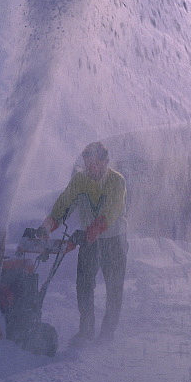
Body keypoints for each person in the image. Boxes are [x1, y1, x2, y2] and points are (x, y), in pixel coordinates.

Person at [39, 141, 127, 345]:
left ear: (105, 162)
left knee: (114, 287)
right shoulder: (80, 180)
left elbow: (111, 212)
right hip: (90, 241)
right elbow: (64, 203)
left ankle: (107, 333)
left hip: (114, 241)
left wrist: (95, 229)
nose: (90, 167)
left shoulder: (116, 181)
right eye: (87, 162)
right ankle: (86, 330)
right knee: (84, 285)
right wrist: (48, 226)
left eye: (95, 162)